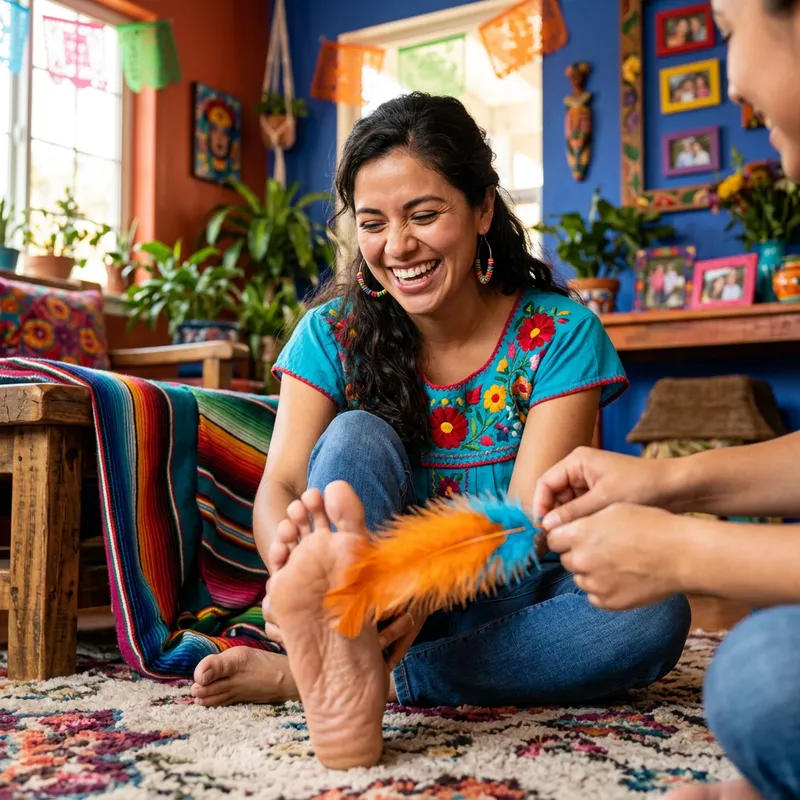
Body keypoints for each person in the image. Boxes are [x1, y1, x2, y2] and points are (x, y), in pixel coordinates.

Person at [189, 93, 691, 769]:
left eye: (424, 214)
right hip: (364, 600)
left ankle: (353, 678)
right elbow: (281, 483)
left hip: (504, 601)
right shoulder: (328, 335)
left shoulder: (560, 335)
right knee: (355, 434)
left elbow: (523, 519)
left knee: (655, 608)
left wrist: (421, 593)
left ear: (483, 209)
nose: (397, 246)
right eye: (373, 223)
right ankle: (343, 644)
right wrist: (289, 573)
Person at [532, 5, 800, 799]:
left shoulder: (561, 334)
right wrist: (662, 482)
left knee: (761, 673)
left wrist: (681, 551)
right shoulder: (335, 338)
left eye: (725, 24)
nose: (732, 76)